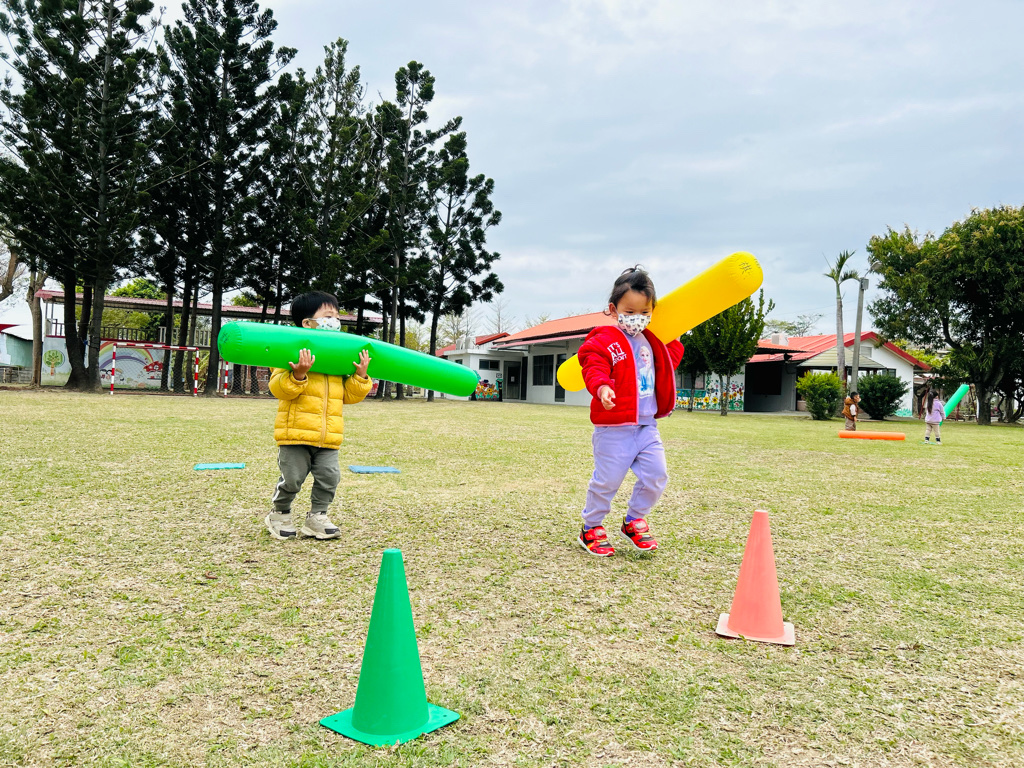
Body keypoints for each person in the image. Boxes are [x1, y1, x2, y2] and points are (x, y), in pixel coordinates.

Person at [576, 267, 685, 557]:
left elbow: (668, 363)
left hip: (647, 426)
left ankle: (634, 519)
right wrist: (602, 387)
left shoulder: (653, 340)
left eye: (644, 312)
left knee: (656, 475)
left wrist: (675, 335)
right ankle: (591, 526)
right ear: (614, 309)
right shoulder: (604, 338)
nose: (637, 317)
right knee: (607, 481)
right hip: (614, 428)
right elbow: (593, 364)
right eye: (630, 311)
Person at [264, 291, 373, 540]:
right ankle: (279, 513)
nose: (335, 321)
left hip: (328, 436)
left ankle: (317, 516)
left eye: (337, 317)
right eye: (328, 316)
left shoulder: (340, 355)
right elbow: (279, 389)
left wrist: (361, 376)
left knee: (329, 477)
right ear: (307, 322)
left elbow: (349, 396)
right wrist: (299, 374)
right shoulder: (288, 351)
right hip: (295, 434)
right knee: (292, 479)